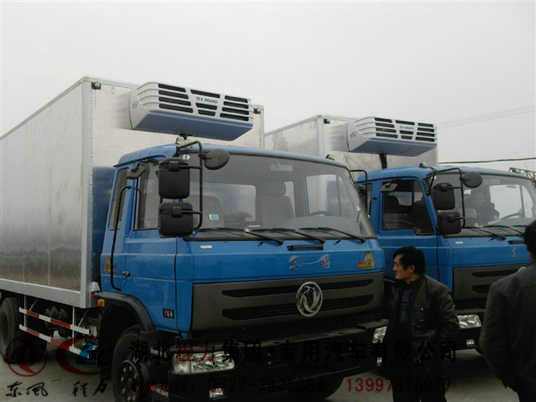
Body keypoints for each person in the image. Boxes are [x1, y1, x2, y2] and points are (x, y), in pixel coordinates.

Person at [383, 246, 458, 402]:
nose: (393, 268)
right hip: (401, 361)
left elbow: (450, 326)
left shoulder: (437, 291)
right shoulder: (396, 289)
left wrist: (432, 351)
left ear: (411, 268)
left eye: (397, 264)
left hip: (426, 364)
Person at [479, 221, 536, 401]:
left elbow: (491, 343)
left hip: (529, 383)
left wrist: (513, 379)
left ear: (528, 248)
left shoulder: (504, 288)